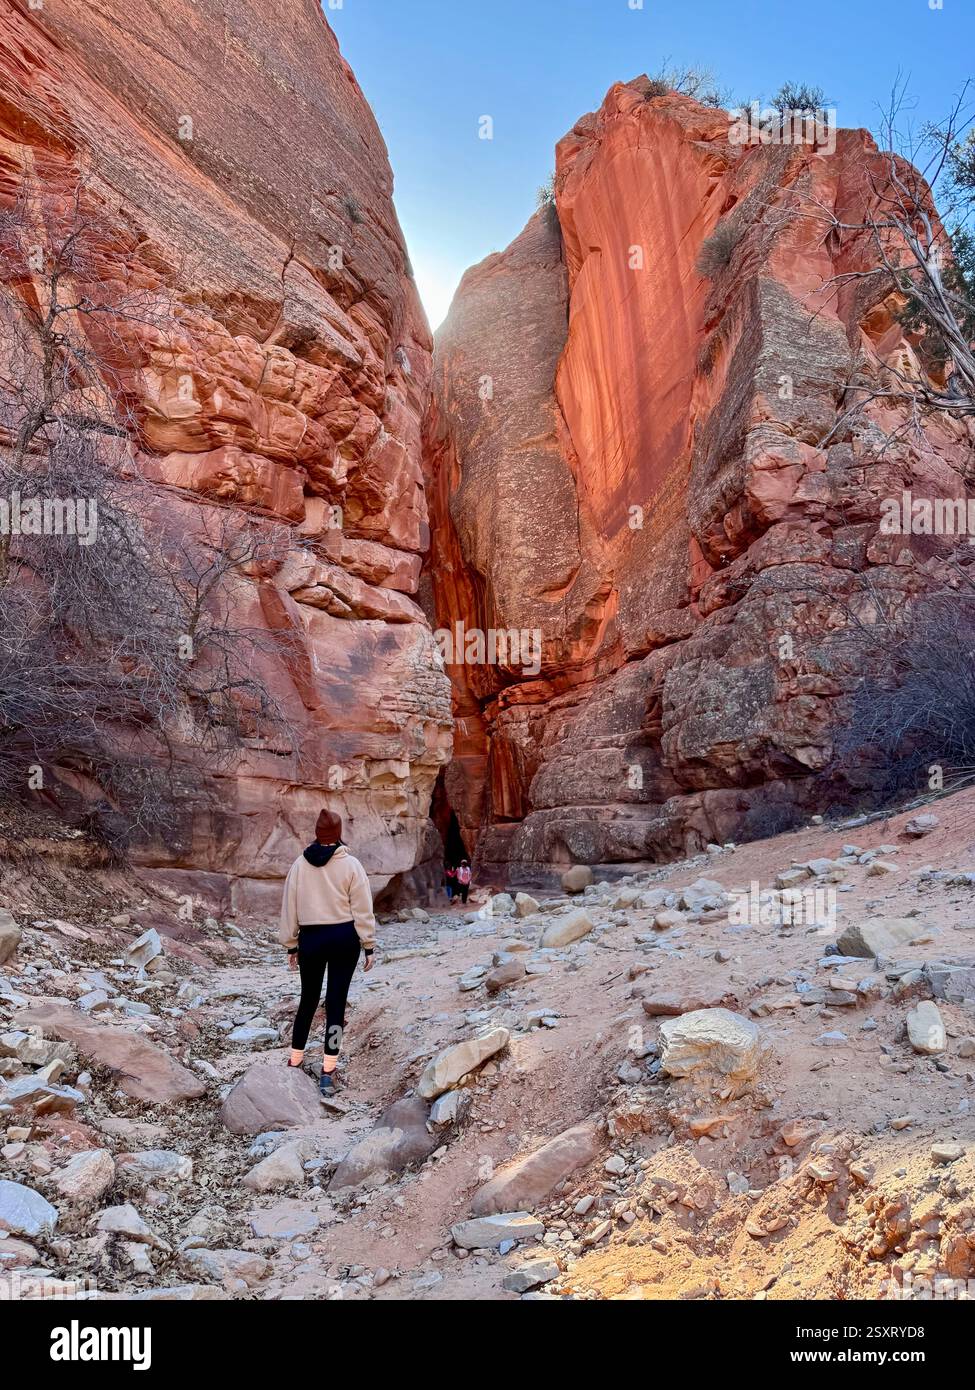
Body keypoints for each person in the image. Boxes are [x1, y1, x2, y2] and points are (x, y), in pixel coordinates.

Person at [279, 808, 375, 1098]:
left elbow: (289, 906)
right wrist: (368, 945)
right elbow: (362, 908)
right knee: (336, 1003)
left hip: (312, 940)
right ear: (338, 833)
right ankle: (328, 1072)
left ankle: (294, 1061)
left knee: (307, 1000)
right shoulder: (352, 865)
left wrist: (291, 944)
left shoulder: (299, 864)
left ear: (317, 833)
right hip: (344, 939)